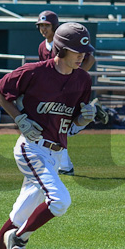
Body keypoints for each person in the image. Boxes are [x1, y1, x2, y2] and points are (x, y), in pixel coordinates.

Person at [0, 23, 96, 249]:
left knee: (19, 216)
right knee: (60, 200)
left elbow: (71, 124)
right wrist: (18, 117)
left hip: (54, 153)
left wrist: (84, 120)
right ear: (61, 49)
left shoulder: (82, 80)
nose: (83, 57)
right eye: (78, 51)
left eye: (85, 52)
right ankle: (20, 239)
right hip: (31, 148)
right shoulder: (35, 71)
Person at [34, 10, 96, 176]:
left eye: (47, 25)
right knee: (56, 126)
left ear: (54, 26)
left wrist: (76, 76)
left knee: (61, 124)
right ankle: (64, 164)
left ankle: (64, 163)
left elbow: (89, 59)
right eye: (41, 25)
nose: (43, 29)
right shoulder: (42, 46)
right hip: (52, 91)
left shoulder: (64, 41)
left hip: (68, 90)